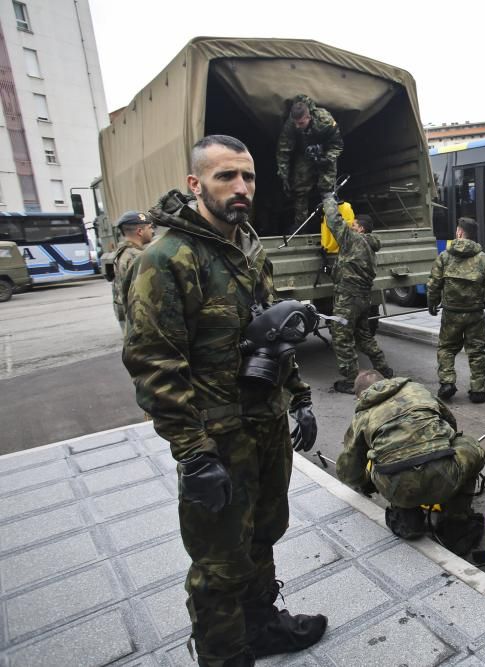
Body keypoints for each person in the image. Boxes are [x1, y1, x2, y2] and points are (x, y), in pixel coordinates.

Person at [122, 135, 326, 667]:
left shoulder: (248, 248)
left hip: (265, 425)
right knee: (218, 562)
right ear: (195, 185)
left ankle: (261, 627)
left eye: (248, 177)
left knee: (264, 534)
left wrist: (300, 397)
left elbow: (272, 335)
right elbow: (153, 364)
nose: (241, 188)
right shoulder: (166, 260)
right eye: (225, 177)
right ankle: (223, 655)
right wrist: (192, 452)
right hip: (217, 440)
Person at [336, 370, 485, 554]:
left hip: (396, 488)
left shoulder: (362, 416)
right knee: (470, 446)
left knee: (385, 460)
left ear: (360, 395)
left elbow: (348, 472)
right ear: (388, 382)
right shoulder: (416, 390)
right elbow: (450, 423)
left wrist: (366, 483)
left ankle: (408, 520)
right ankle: (455, 525)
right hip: (444, 476)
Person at [426, 217, 485, 403]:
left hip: (451, 313)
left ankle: (447, 383)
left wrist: (432, 303)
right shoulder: (484, 259)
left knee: (446, 348)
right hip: (475, 313)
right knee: (476, 351)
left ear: (459, 233)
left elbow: (434, 283)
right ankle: (478, 390)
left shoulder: (444, 256)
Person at [321, 197, 392, 394]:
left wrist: (329, 200)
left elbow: (334, 222)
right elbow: (350, 267)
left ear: (360, 229)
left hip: (348, 299)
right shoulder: (369, 245)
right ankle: (383, 368)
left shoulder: (354, 240)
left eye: (353, 225)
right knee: (363, 336)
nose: (350, 227)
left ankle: (352, 379)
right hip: (362, 298)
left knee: (341, 336)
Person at [276, 94, 344, 226]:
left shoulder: (325, 120)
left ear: (309, 117)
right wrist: (283, 174)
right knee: (300, 190)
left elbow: (337, 145)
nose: (297, 126)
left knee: (327, 190)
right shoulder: (291, 124)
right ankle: (300, 226)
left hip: (326, 154)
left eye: (301, 123)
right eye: (295, 123)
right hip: (305, 155)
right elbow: (283, 150)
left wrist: (327, 159)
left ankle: (334, 225)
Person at [110, 210, 155, 331]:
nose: (152, 231)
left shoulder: (122, 252)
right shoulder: (138, 256)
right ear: (140, 231)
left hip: (127, 313)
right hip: (138, 317)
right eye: (150, 227)